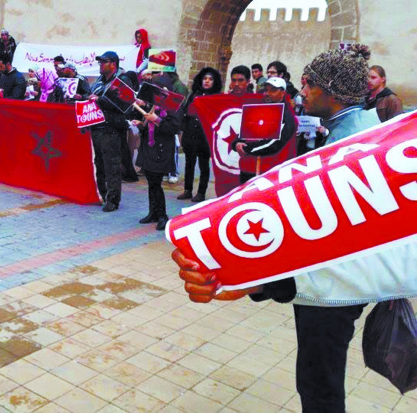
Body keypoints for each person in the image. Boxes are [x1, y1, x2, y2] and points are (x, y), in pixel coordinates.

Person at [174, 45, 393, 413]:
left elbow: (325, 244)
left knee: (318, 380)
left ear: (331, 91)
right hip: (339, 285)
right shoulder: (361, 129)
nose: (302, 92)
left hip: (333, 291)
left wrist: (259, 278)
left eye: (309, 85)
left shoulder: (346, 147)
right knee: (318, 375)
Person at [88, 51, 134, 212]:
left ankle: (113, 200)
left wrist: (99, 100)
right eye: (99, 62)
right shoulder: (99, 82)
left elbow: (122, 104)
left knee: (112, 165)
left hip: (112, 129)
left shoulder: (122, 81)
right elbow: (91, 98)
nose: (100, 65)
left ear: (113, 64)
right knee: (99, 164)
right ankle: (103, 194)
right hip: (97, 128)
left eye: (104, 62)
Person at [232, 77, 297, 184]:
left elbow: (275, 144)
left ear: (283, 93)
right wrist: (237, 143)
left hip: (271, 173)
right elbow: (244, 132)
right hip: (248, 170)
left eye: (273, 90)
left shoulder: (287, 115)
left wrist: (247, 149)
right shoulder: (258, 109)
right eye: (266, 90)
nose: (267, 93)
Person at [133, 102, 180, 230]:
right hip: (148, 149)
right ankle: (153, 213)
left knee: (156, 183)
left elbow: (174, 129)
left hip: (161, 152)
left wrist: (157, 119)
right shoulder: (151, 106)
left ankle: (162, 216)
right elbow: (149, 128)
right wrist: (142, 124)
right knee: (151, 183)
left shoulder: (170, 109)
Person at [178, 67, 221, 203]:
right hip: (191, 133)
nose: (207, 81)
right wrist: (183, 132)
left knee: (203, 165)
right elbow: (186, 113)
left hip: (205, 135)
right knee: (189, 163)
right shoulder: (194, 94)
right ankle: (188, 190)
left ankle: (201, 192)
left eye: (210, 79)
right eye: (205, 78)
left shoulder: (216, 97)